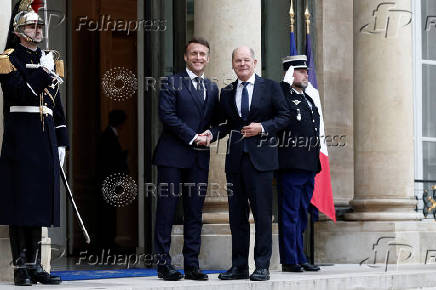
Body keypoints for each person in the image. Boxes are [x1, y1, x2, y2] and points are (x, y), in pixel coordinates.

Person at [0, 0, 68, 286]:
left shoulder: (52, 56)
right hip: (21, 137)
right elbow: (21, 93)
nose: (38, 29)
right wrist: (42, 71)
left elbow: (56, 104)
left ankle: (37, 266)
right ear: (19, 31)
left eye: (40, 25)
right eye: (31, 25)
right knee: (21, 205)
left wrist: (62, 141)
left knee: (39, 204)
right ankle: (20, 269)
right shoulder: (8, 58)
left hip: (45, 137)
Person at [210, 46, 290, 281]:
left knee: (263, 215)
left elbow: (284, 116)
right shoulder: (226, 92)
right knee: (236, 216)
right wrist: (209, 135)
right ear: (233, 64)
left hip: (262, 161)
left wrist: (262, 128)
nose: (242, 64)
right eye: (238, 61)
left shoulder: (272, 88)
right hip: (235, 161)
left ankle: (262, 265)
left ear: (254, 62)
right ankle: (239, 266)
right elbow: (223, 124)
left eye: (246, 60)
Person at [152, 37, 219, 281]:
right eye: (194, 54)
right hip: (172, 156)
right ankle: (163, 265)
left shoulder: (212, 88)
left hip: (199, 159)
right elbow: (167, 116)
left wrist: (211, 134)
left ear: (208, 58)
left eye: (202, 54)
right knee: (167, 212)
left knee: (194, 213)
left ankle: (191, 264)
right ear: (185, 57)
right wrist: (193, 137)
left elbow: (218, 122)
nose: (198, 58)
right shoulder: (172, 82)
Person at [277, 55, 321, 272]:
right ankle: (289, 259)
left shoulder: (308, 100)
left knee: (302, 212)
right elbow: (279, 108)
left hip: (308, 166)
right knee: (290, 212)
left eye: (306, 71)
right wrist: (285, 84)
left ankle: (300, 255)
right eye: (301, 71)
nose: (306, 74)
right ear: (289, 73)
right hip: (291, 165)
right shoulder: (284, 96)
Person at [96, 110, 128, 250]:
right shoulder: (108, 136)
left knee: (109, 213)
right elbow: (110, 160)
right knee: (107, 214)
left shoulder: (109, 135)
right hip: (108, 181)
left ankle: (109, 242)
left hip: (109, 181)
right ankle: (107, 243)